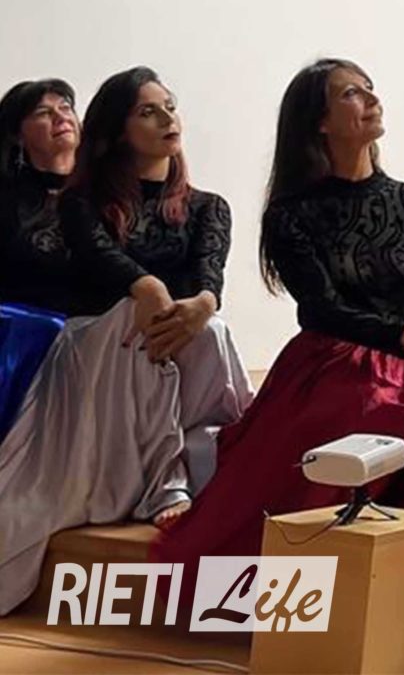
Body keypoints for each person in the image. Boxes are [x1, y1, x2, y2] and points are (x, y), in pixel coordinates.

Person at [155, 59, 404, 575]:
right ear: (319, 122)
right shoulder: (290, 213)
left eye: (370, 89)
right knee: (363, 409)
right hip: (337, 357)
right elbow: (322, 310)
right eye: (351, 94)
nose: (371, 99)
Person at [0, 67, 251, 615]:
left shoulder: (210, 205)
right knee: (133, 319)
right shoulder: (81, 201)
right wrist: (149, 288)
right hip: (97, 340)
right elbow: (105, 264)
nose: (166, 119)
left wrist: (203, 303)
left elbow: (209, 275)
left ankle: (214, 457)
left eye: (169, 107)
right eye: (147, 111)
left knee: (211, 331)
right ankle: (165, 479)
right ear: (117, 132)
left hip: (166, 334)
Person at [0, 79, 78, 437]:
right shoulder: (8, 198)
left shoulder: (106, 193)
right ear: (18, 135)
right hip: (20, 322)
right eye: (44, 113)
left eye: (66, 107)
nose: (60, 117)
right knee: (41, 330)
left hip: (90, 325)